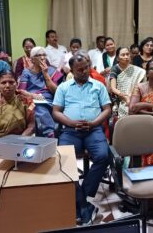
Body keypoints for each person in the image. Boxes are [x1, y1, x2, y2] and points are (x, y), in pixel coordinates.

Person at [53, 54, 111, 226]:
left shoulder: (98, 86)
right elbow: (56, 111)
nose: (84, 71)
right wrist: (71, 123)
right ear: (72, 70)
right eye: (80, 69)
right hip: (71, 130)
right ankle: (84, 204)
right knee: (63, 160)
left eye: (86, 67)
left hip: (93, 129)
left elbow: (107, 109)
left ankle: (81, 198)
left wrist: (93, 123)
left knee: (104, 155)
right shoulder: (63, 87)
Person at [18, 47, 64, 137]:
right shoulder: (27, 72)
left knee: (39, 105)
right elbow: (21, 91)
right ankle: (49, 133)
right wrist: (33, 95)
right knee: (37, 105)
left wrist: (46, 74)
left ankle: (48, 133)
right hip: (31, 100)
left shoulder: (52, 71)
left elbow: (57, 92)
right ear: (32, 59)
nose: (43, 58)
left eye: (44, 55)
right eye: (39, 55)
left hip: (49, 100)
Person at [0, 71, 35, 145]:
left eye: (11, 82)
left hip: (20, 140)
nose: (7, 85)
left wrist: (21, 140)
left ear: (17, 84)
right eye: (3, 83)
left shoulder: (26, 100)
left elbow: (31, 125)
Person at [109, 47, 146, 118]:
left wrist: (132, 98)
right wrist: (125, 97)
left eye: (127, 54)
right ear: (117, 58)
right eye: (123, 55)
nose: (126, 57)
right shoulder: (115, 69)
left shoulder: (137, 70)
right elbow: (113, 88)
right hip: (120, 99)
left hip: (135, 97)